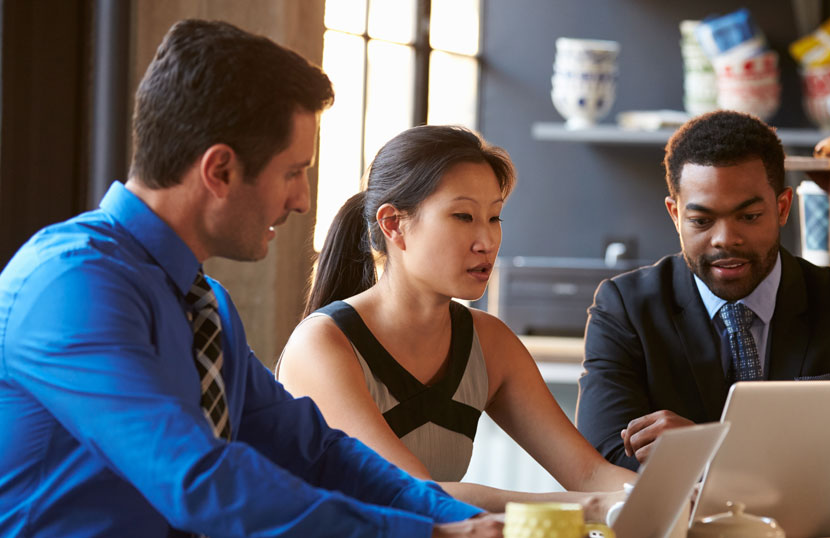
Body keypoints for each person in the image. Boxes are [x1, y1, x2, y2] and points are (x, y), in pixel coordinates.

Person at [0, 20, 500, 538]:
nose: (302, 200)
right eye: (292, 172)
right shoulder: (71, 285)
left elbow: (319, 453)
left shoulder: (204, 306)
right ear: (219, 171)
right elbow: (199, 480)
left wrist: (471, 523)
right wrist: (428, 536)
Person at [276, 124, 637, 520]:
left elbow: (587, 472)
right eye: (463, 216)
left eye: (495, 217)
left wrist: (668, 498)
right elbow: (414, 495)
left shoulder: (489, 341)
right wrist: (595, 507)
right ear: (394, 224)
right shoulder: (323, 345)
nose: (487, 241)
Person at [575, 110, 830, 470]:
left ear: (782, 207)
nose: (726, 239)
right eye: (701, 221)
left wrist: (706, 448)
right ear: (675, 215)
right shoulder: (624, 309)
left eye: (749, 217)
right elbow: (603, 462)